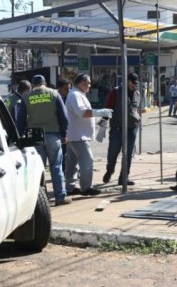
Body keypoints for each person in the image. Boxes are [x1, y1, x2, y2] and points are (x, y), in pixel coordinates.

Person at [17, 75, 70, 206]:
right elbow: (63, 116)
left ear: (33, 85)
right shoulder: (54, 94)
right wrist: (64, 134)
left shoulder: (26, 96)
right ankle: (60, 197)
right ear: (45, 83)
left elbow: (21, 120)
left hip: (34, 136)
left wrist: (19, 137)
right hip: (53, 134)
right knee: (56, 167)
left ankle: (39, 199)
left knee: (36, 170)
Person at [64, 74, 112, 196]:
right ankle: (86, 188)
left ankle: (70, 187)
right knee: (87, 161)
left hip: (75, 134)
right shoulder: (75, 95)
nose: (90, 86)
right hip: (78, 136)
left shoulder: (78, 94)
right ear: (81, 83)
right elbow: (82, 113)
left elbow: (84, 115)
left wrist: (98, 119)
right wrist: (100, 112)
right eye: (88, 83)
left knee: (72, 163)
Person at [102, 72, 141, 186]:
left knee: (128, 154)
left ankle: (123, 177)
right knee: (113, 152)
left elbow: (136, 108)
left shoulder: (137, 93)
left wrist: (137, 119)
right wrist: (103, 124)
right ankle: (110, 170)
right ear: (128, 81)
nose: (135, 86)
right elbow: (108, 107)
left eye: (136, 84)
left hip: (132, 127)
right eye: (133, 83)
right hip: (117, 127)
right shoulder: (116, 91)